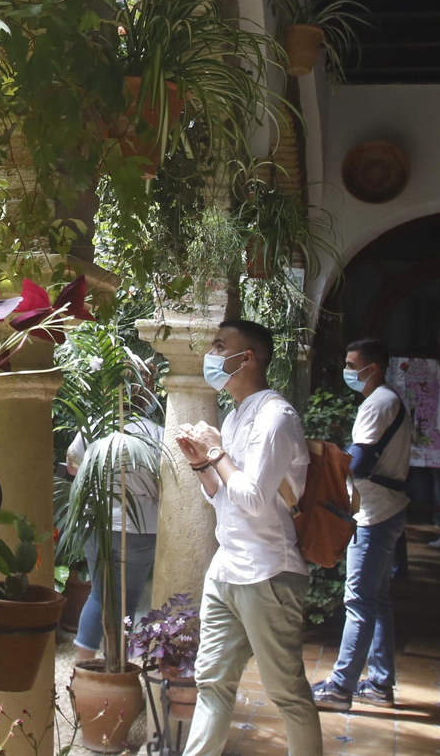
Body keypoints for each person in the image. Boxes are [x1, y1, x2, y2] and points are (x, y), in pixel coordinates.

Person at [175, 320, 321, 756]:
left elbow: (256, 499)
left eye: (220, 346)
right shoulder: (236, 415)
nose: (212, 354)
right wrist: (204, 464)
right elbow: (225, 500)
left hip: (268, 572)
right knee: (212, 684)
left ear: (248, 357)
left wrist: (218, 453)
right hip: (226, 570)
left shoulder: (275, 417)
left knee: (287, 692)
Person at [311, 338, 411, 711]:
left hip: (373, 515)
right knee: (377, 600)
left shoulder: (378, 404)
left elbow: (359, 463)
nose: (348, 372)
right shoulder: (388, 400)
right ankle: (381, 683)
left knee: (358, 601)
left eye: (353, 365)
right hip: (386, 510)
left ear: (374, 368)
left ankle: (340, 688)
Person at [66, 413, 163, 663]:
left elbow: (71, 465)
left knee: (98, 594)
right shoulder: (155, 432)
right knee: (128, 599)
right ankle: (117, 666)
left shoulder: (97, 422)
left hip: (97, 521)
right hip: (140, 527)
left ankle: (82, 669)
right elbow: (167, 483)